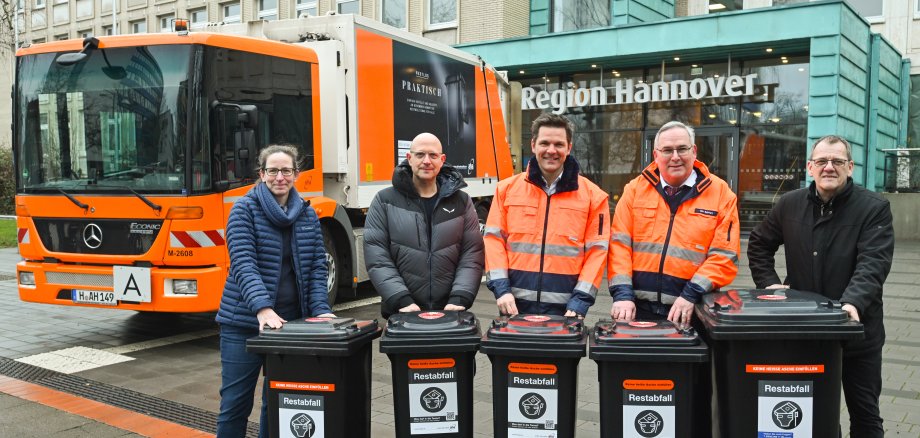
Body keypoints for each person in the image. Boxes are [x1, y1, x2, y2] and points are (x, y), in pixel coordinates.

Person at [748, 135, 894, 438]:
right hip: (807, 332)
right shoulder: (789, 204)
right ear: (810, 167)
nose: (830, 167)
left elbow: (873, 263)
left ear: (850, 167)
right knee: (812, 413)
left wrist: (852, 302)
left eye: (838, 161)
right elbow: (759, 245)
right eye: (823, 161)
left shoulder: (874, 208)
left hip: (857, 332)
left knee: (866, 415)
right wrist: (771, 286)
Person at [215, 144, 335, 438]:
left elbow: (316, 268)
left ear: (296, 174)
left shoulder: (306, 214)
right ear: (261, 173)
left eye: (286, 170)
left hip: (291, 325)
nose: (279, 177)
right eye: (272, 171)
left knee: (279, 402)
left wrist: (321, 310)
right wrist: (262, 307)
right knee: (235, 404)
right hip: (244, 324)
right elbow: (243, 263)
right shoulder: (244, 209)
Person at [608, 121, 740, 325]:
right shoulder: (634, 190)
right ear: (656, 155)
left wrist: (690, 294)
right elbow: (619, 247)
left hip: (694, 310)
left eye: (682, 149)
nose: (675, 157)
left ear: (694, 151)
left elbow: (724, 256)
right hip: (637, 310)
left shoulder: (721, 194)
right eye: (667, 150)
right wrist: (622, 295)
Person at [484, 113, 610, 317]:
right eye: (544, 143)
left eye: (559, 144)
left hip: (567, 312)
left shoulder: (594, 197)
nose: (551, 151)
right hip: (514, 308)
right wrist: (501, 290)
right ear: (533, 145)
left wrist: (580, 302)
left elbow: (597, 252)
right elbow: (494, 241)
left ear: (568, 148)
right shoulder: (505, 190)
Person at [364, 132, 484, 318]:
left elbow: (472, 253)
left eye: (433, 155)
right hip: (402, 314)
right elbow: (377, 256)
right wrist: (401, 299)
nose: (426, 161)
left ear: (442, 159)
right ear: (409, 158)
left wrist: (459, 298)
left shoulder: (461, 201)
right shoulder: (384, 201)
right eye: (420, 155)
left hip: (450, 313)